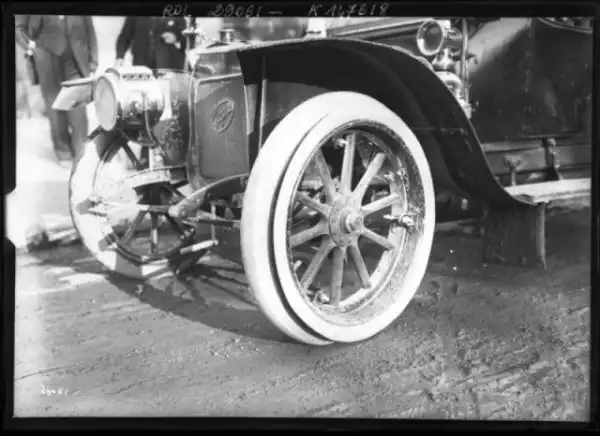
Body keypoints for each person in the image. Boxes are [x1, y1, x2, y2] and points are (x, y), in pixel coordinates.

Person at [15, 15, 98, 165]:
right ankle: (63, 150)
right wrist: (30, 47)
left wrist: (93, 60)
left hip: (76, 59)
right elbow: (18, 27)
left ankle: (81, 152)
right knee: (54, 106)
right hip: (46, 58)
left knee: (78, 108)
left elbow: (90, 30)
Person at [115, 16, 187, 70]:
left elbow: (187, 39)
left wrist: (176, 38)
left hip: (168, 66)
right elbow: (124, 36)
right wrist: (120, 57)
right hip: (142, 66)